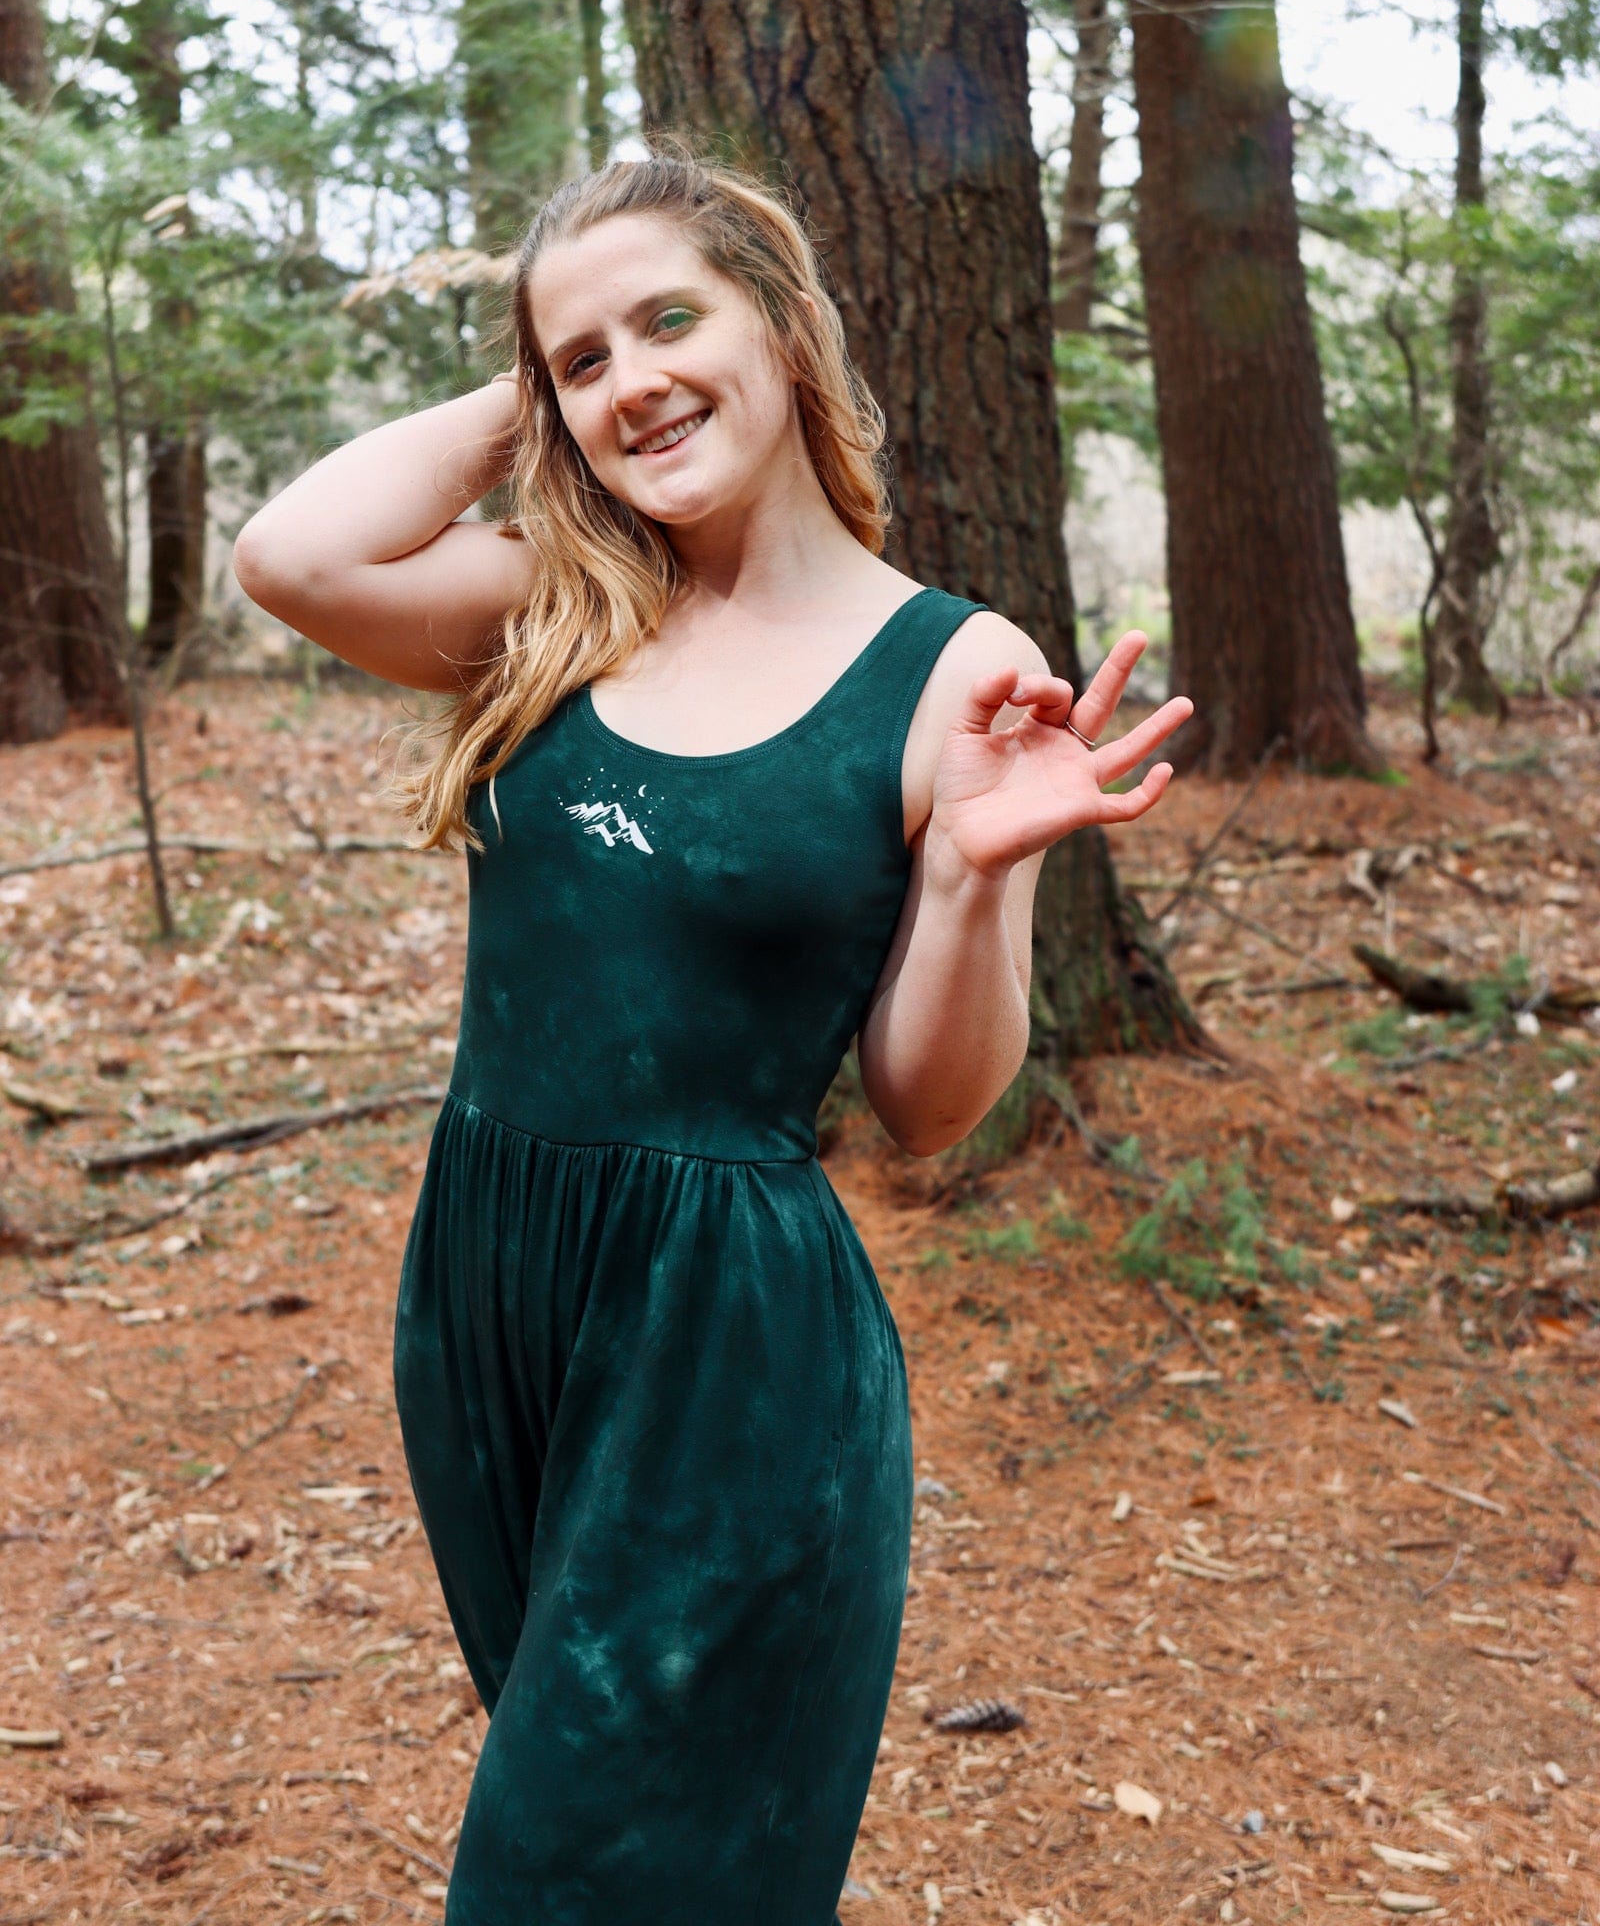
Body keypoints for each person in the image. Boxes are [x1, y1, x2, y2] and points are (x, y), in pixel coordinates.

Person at [232, 151, 1191, 1926]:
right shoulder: (557, 604)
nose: (635, 383)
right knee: (642, 1855)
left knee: (559, 1879)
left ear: (785, 322)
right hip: (492, 1303)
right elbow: (291, 556)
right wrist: (547, 388)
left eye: (673, 320)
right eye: (583, 361)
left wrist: (971, 876)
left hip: (731, 1351)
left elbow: (926, 1107)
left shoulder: (946, 660)